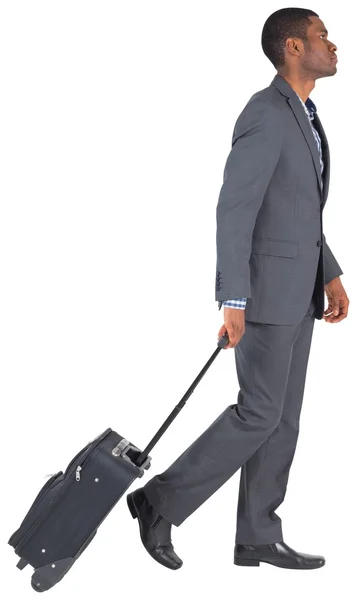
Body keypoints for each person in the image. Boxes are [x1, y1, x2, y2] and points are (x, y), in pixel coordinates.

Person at [126, 7, 349, 570]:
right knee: (258, 413)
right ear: (293, 48)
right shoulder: (266, 112)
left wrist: (329, 272)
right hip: (265, 295)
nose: (333, 43)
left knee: (283, 418)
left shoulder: (307, 114)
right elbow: (236, 208)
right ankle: (159, 501)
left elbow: (300, 213)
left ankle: (257, 533)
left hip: (301, 293)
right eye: (322, 35)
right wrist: (234, 298)